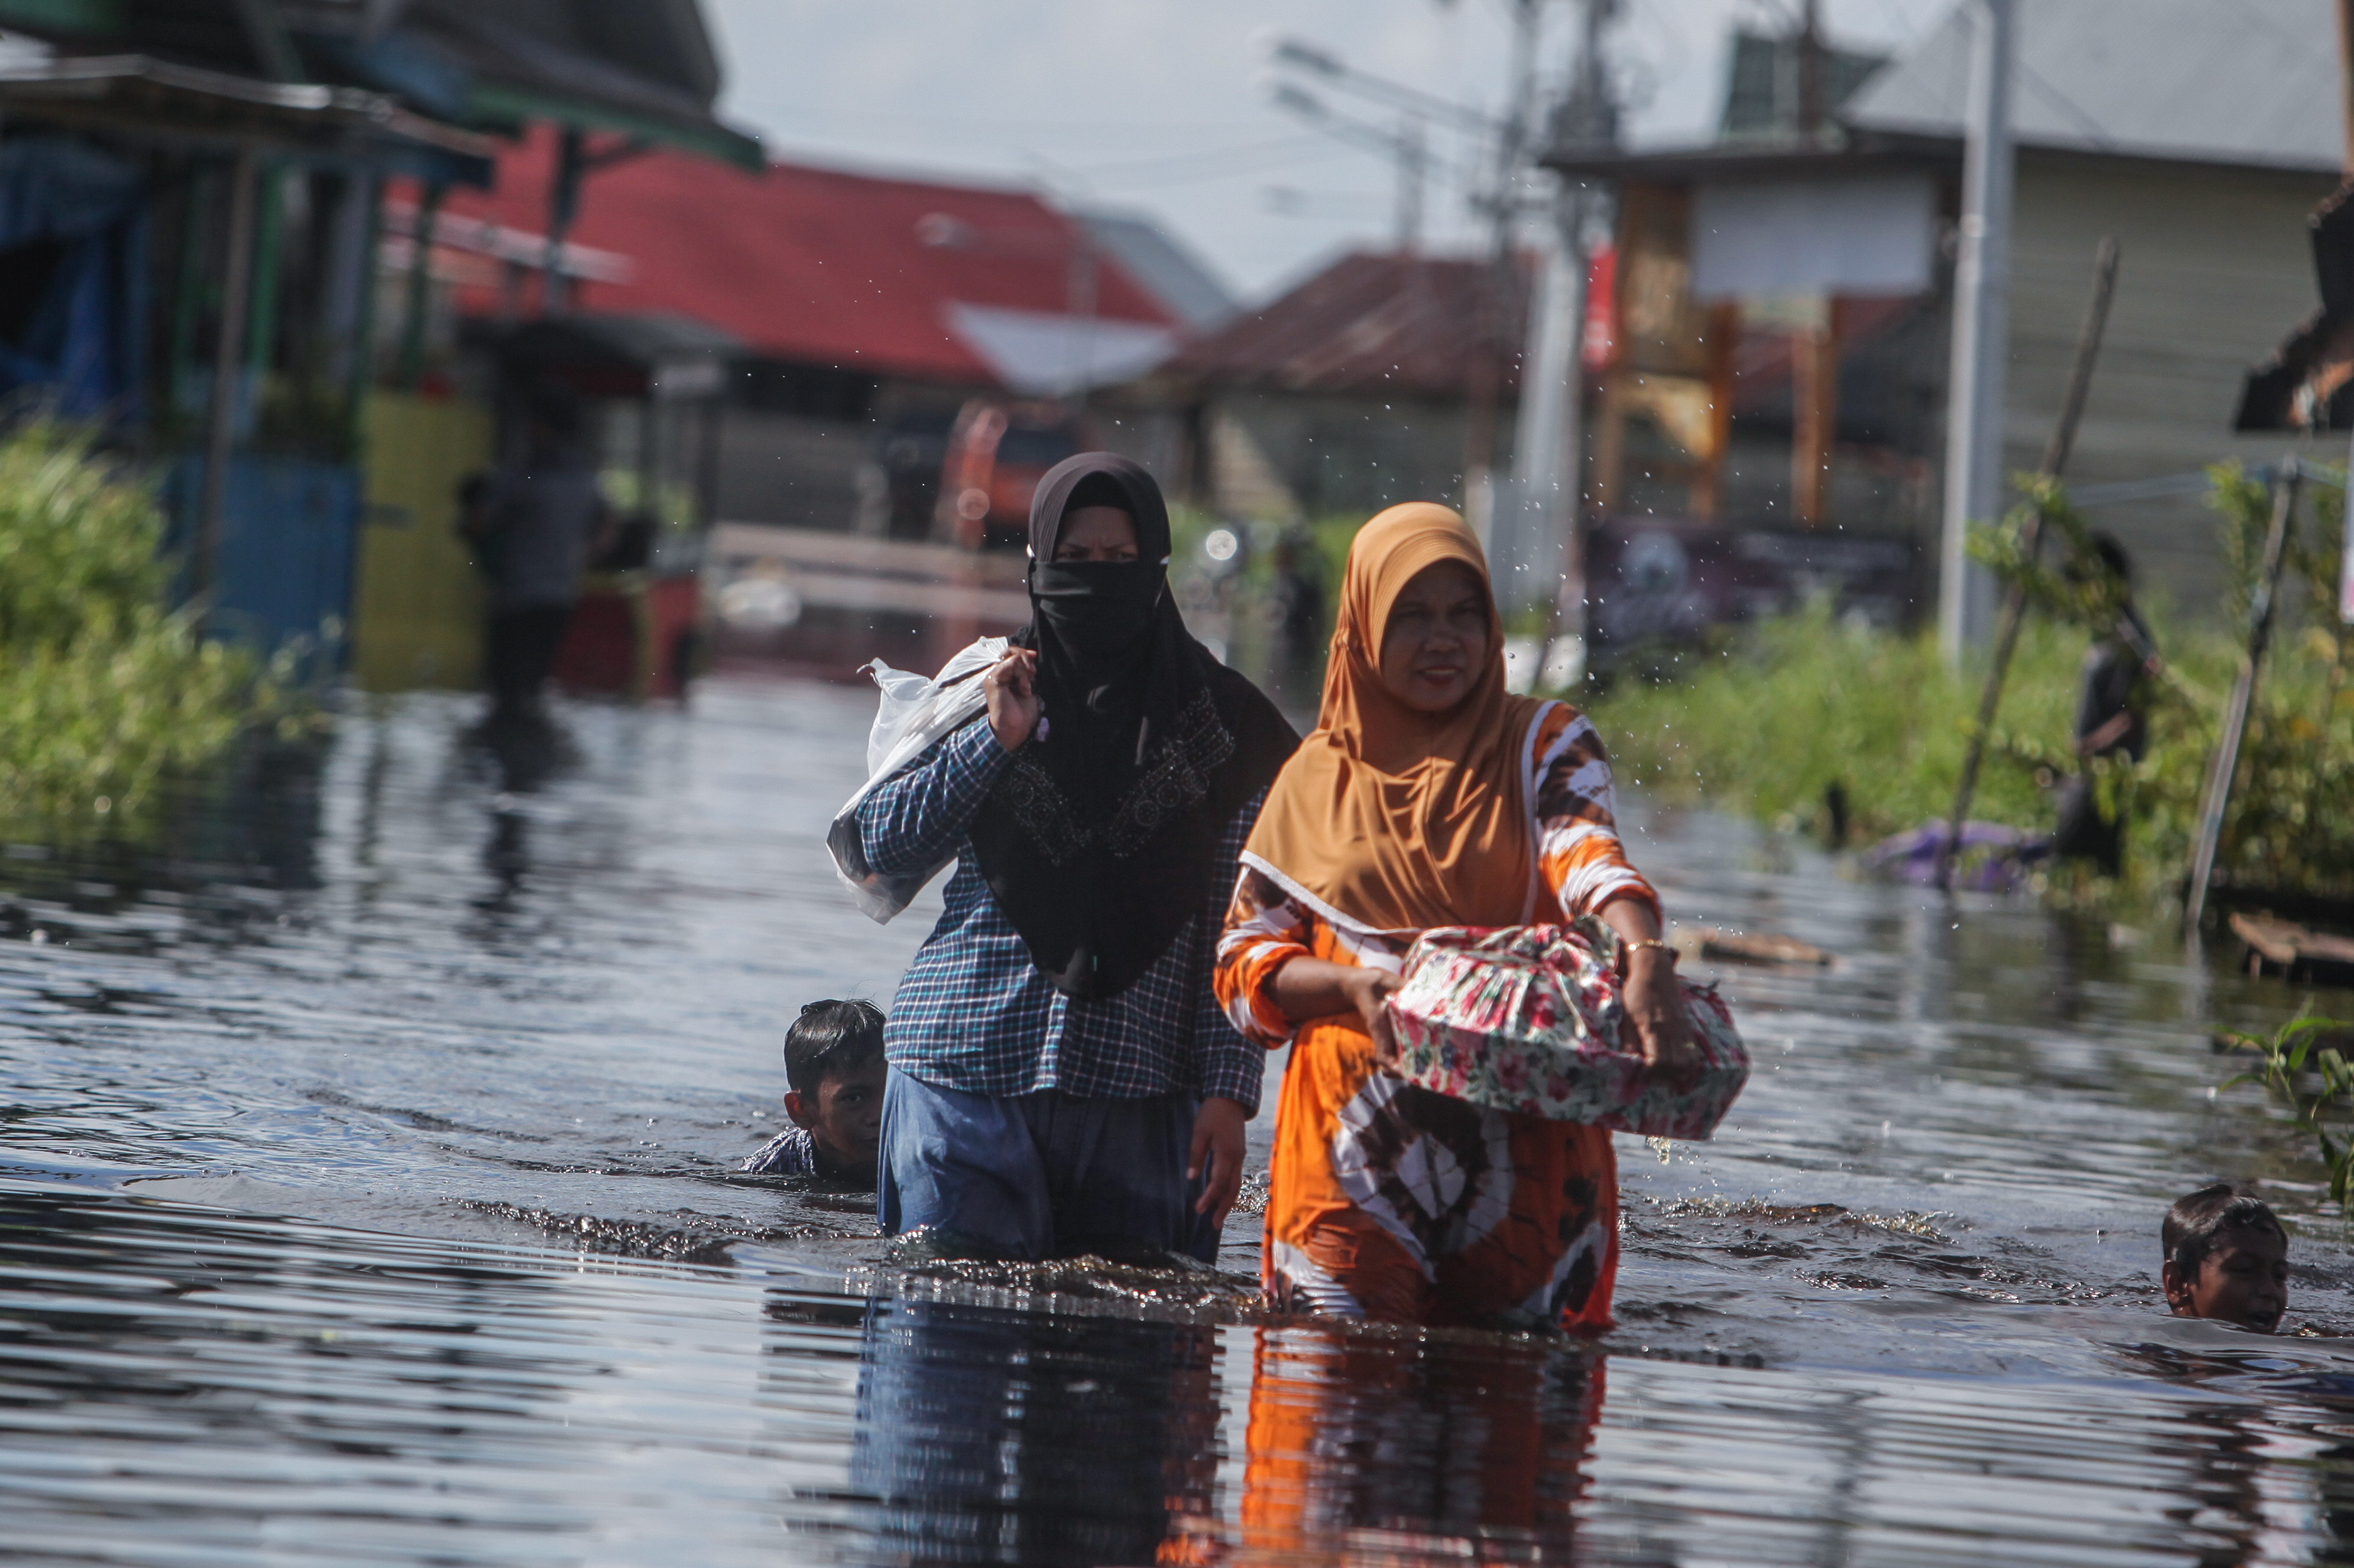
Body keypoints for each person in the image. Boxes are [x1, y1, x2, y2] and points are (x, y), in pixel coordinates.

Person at [1213, 502, 1696, 1331]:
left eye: (1462, 614)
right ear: (1362, 625)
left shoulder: (1542, 742)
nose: (1442, 639)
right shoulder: (1313, 777)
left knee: (1511, 1429)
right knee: (1326, 1423)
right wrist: (1354, 986)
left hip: (1530, 1149)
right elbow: (1241, 968)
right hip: (1348, 1151)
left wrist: (1641, 951)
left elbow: (1586, 854)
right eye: (1410, 616)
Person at [851, 453, 1297, 1263]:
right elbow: (882, 851)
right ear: (1037, 567)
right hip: (963, 1073)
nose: (1097, 583)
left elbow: (1244, 924)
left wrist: (1229, 1091)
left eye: (1121, 564)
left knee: (1127, 1364)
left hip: (1140, 1096)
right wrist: (991, 742)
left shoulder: (1229, 730)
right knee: (943, 1345)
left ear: (1157, 569)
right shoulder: (983, 688)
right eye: (1076, 563)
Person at [460, 381, 613, 727]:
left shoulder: (522, 475)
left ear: (542, 425)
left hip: (516, 599)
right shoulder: (585, 478)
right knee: (531, 686)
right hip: (560, 598)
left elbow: (479, 523)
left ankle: (513, 760)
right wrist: (581, 555)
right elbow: (607, 525)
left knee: (506, 690)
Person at [2052, 533, 2156, 876]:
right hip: (2085, 786)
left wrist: (2087, 748)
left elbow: (2135, 716)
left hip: (2104, 791)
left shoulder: (2132, 643)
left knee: (2084, 872)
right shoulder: (2108, 636)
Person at [743, 999, 889, 1183]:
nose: (882, 1115)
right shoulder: (769, 1171)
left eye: (893, 1094)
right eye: (854, 1098)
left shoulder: (924, 1155)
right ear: (801, 1110)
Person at [2161, 1183, 2287, 1334]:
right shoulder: (2146, 1351)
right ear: (2177, 1284)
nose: (2270, 1290)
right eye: (2245, 1270)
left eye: (2280, 1276)